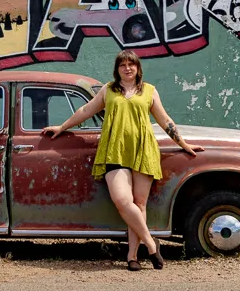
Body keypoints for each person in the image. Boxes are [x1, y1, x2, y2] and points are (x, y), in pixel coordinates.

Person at [42, 49, 198, 270]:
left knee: (140, 203)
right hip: (114, 150)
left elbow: (165, 120)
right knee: (122, 200)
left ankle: (132, 256)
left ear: (138, 68)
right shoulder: (109, 90)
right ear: (117, 69)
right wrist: (62, 126)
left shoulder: (149, 91)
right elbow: (86, 109)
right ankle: (152, 244)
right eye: (123, 65)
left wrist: (184, 144)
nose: (127, 68)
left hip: (142, 150)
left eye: (131, 64)